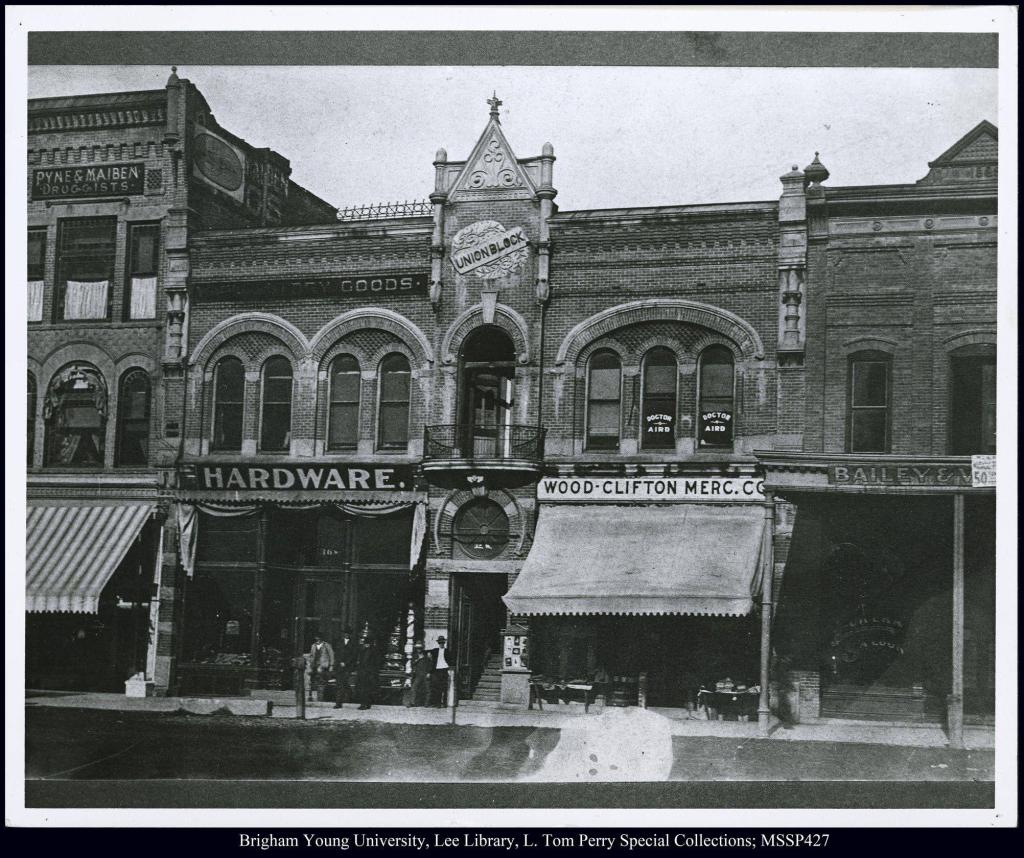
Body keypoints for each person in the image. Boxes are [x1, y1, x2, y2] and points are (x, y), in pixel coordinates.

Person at [333, 628, 358, 709]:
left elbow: (353, 655)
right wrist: (339, 662)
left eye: (348, 633)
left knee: (342, 682)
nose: (346, 635)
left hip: (348, 667)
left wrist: (346, 663)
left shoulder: (353, 643)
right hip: (339, 666)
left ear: (350, 634)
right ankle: (340, 701)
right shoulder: (339, 642)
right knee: (340, 683)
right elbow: (337, 653)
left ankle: (341, 701)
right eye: (345, 633)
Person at [354, 635, 380, 710]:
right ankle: (366, 703)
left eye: (367, 643)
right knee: (365, 689)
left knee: (365, 689)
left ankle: (364, 704)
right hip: (365, 673)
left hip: (368, 673)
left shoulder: (370, 651)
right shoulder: (365, 651)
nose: (366, 645)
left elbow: (375, 663)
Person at [307, 632, 335, 702]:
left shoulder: (327, 645)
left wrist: (331, 665)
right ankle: (311, 696)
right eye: (316, 638)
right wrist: (310, 663)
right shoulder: (313, 646)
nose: (317, 640)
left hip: (323, 665)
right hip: (314, 665)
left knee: (322, 681)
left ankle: (321, 697)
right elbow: (311, 655)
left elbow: (331, 655)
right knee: (311, 681)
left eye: (319, 638)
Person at [428, 635, 453, 708]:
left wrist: (449, 668)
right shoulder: (435, 650)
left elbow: (450, 660)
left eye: (442, 642)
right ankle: (438, 703)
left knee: (444, 687)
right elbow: (427, 652)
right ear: (438, 643)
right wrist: (429, 654)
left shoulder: (447, 651)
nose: (441, 644)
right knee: (437, 687)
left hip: (444, 669)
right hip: (437, 670)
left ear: (444, 643)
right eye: (440, 642)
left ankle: (444, 703)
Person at [408, 641, 431, 707]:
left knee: (427, 689)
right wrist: (418, 659)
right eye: (418, 648)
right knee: (414, 688)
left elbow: (430, 664)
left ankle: (427, 703)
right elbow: (412, 664)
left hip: (425, 674)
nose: (419, 650)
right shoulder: (414, 656)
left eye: (420, 648)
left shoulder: (426, 655)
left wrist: (429, 672)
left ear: (422, 648)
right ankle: (412, 702)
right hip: (418, 675)